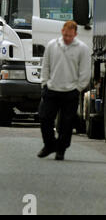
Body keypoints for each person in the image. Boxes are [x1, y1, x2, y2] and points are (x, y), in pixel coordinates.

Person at [38, 21, 91, 161]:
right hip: (52, 88)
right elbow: (46, 66)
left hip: (70, 91)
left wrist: (78, 88)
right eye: (66, 35)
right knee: (44, 117)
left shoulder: (82, 49)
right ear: (62, 31)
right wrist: (44, 83)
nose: (67, 38)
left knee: (66, 123)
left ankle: (61, 149)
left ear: (75, 34)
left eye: (70, 36)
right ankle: (49, 144)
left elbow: (85, 72)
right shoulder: (52, 45)